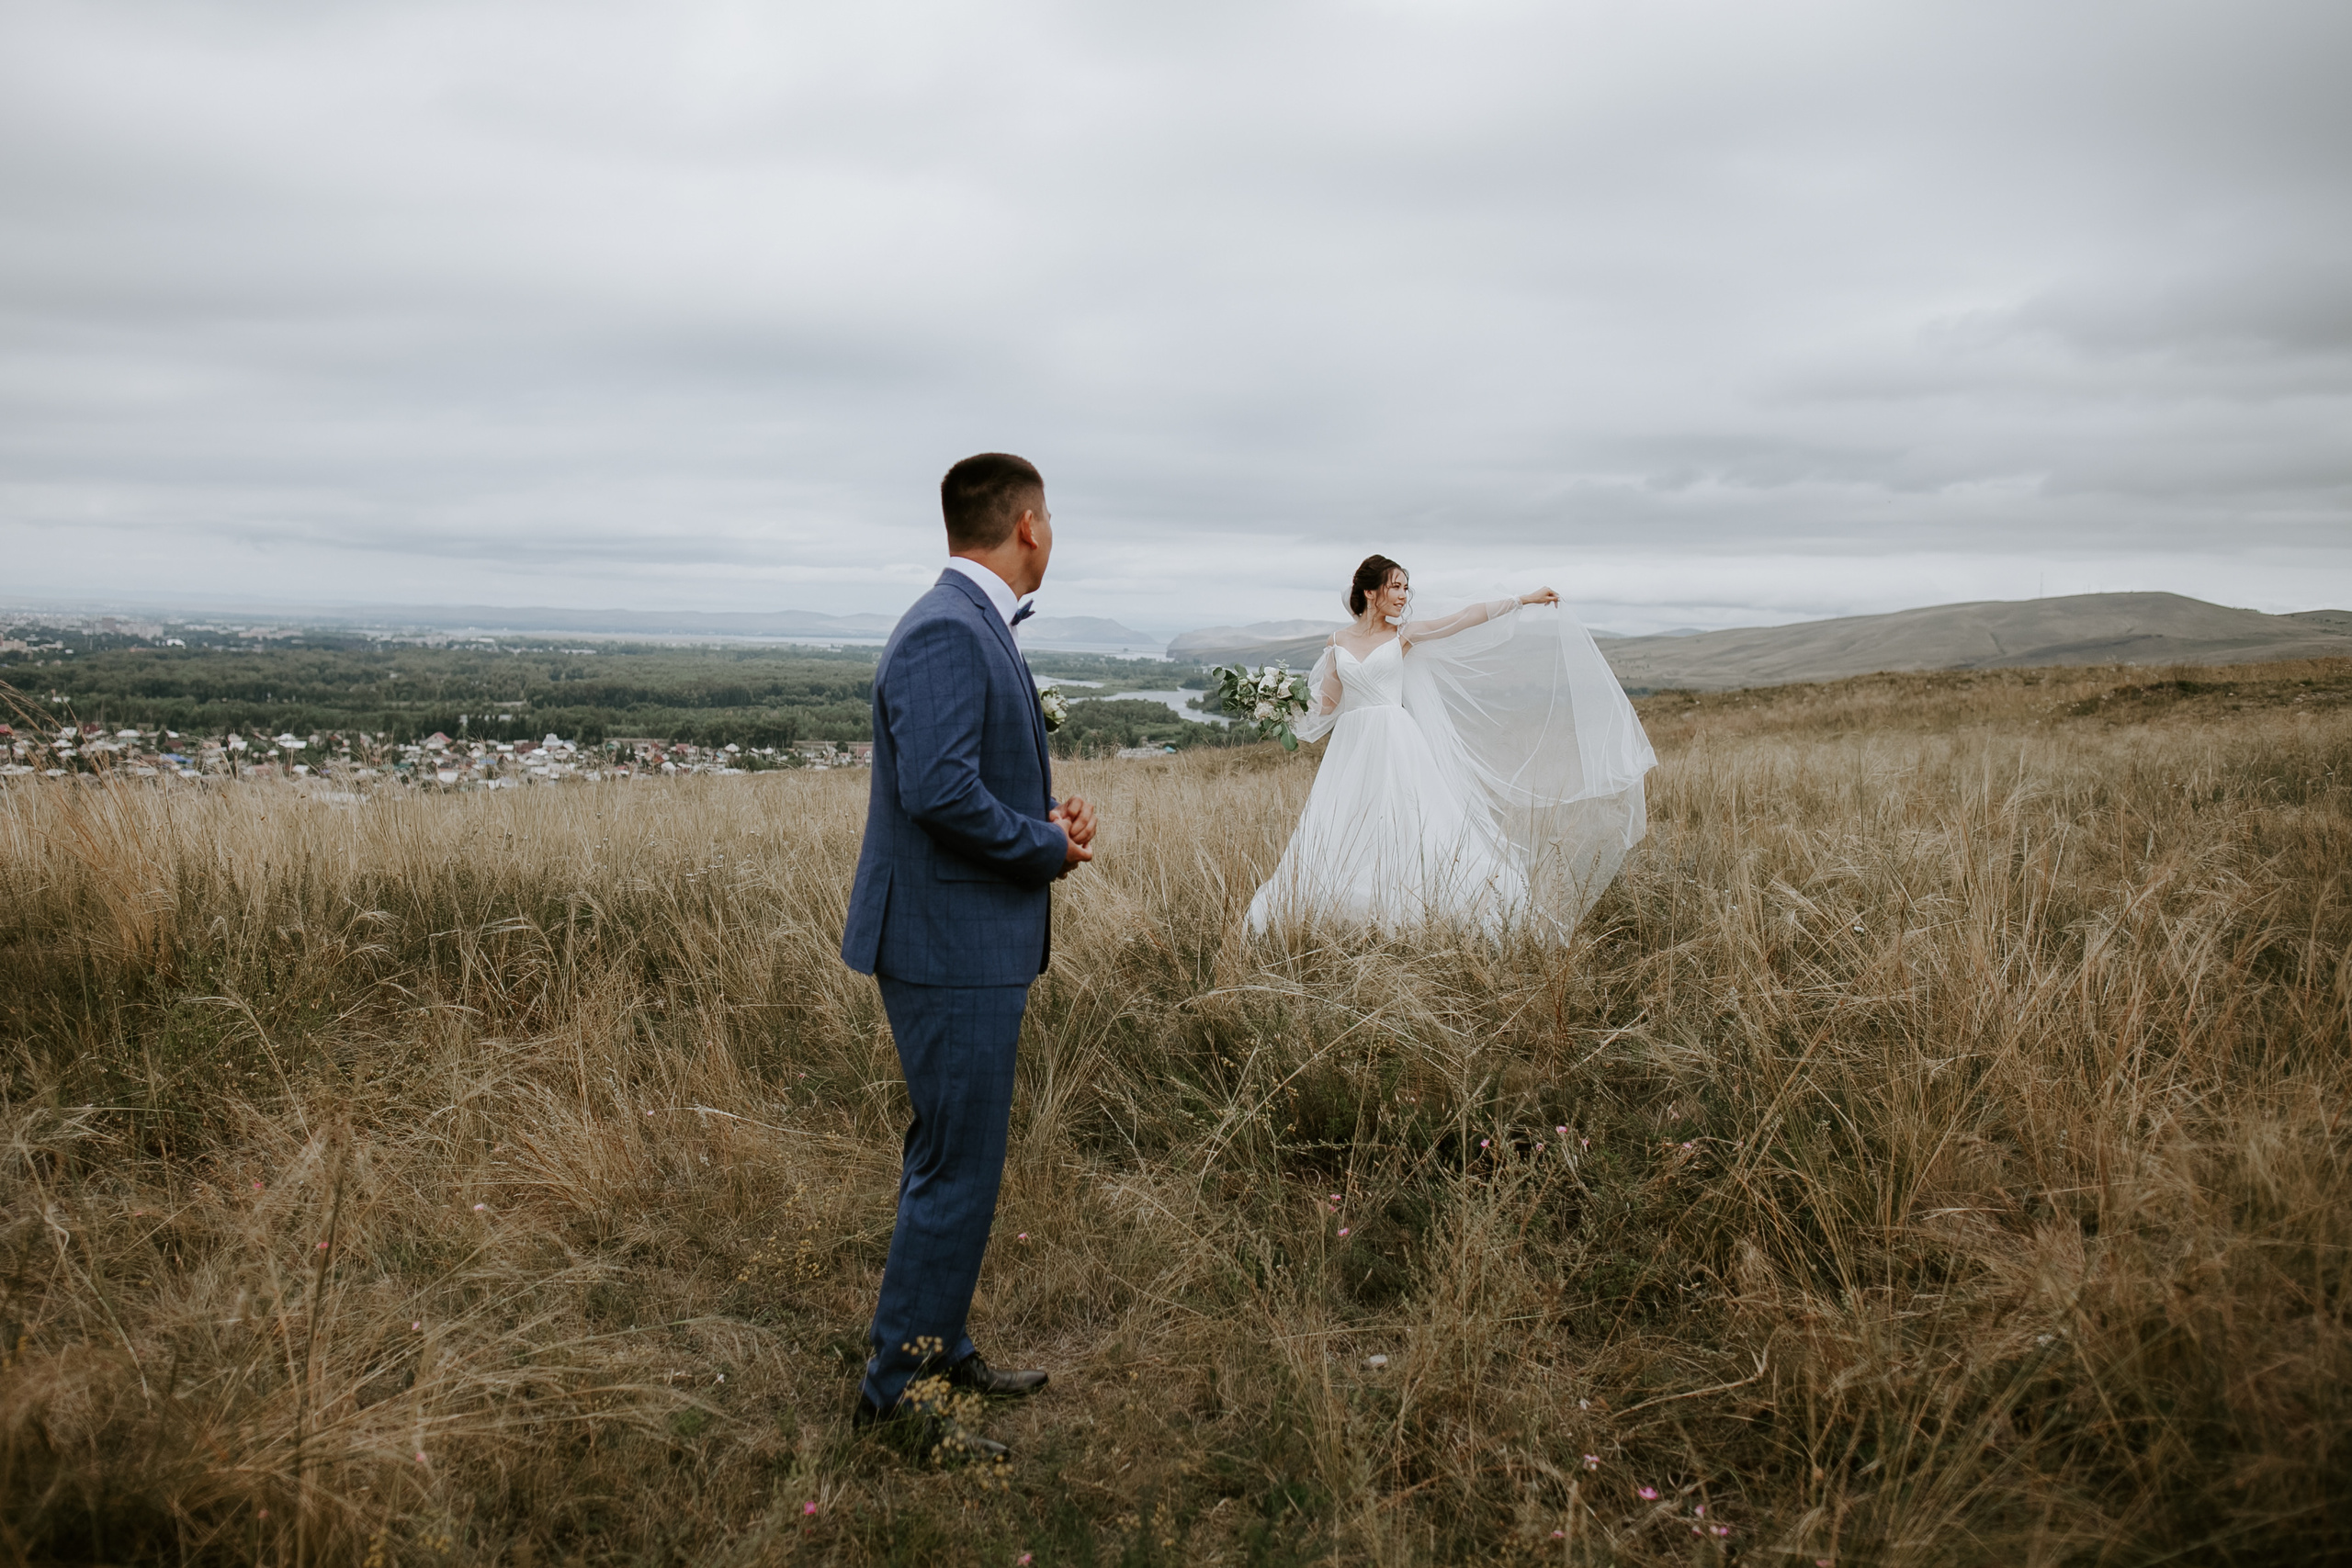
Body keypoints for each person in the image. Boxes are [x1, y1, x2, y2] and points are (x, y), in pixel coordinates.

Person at [839, 452, 1096, 1461]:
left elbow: (967, 776)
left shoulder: (970, 621)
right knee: (956, 1169)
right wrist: (1046, 847)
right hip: (946, 946)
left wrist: (1042, 815)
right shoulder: (950, 627)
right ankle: (897, 1394)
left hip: (962, 940)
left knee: (954, 1160)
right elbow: (939, 794)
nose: (1052, 536)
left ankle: (938, 1350)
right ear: (1026, 525)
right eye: (1051, 521)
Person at [1245, 554, 1654, 937]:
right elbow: (1327, 705)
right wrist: (1276, 706)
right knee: (1344, 821)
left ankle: (1415, 899)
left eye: (1407, 588)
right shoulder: (1337, 642)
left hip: (1395, 739)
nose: (1405, 595)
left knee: (1410, 819)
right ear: (1370, 592)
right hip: (1352, 745)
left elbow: (1464, 618)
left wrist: (1522, 599)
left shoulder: (1404, 634)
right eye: (1397, 586)